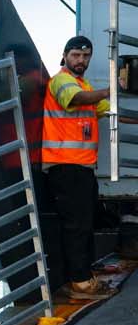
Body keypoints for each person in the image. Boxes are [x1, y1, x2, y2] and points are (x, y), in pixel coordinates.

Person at [41, 35, 138, 299]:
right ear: (65, 56)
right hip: (65, 167)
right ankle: (80, 284)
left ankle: (82, 278)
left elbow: (112, 113)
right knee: (76, 227)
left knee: (83, 225)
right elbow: (77, 98)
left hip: (81, 168)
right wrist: (110, 90)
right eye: (76, 55)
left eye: (86, 56)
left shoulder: (84, 85)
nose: (81, 60)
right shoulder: (62, 81)